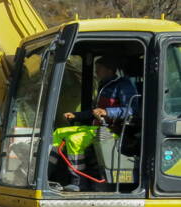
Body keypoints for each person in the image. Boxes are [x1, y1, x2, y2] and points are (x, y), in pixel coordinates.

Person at [51, 57, 139, 191]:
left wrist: (107, 112)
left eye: (99, 69)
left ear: (109, 70)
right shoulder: (104, 85)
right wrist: (77, 115)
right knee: (58, 133)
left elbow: (132, 109)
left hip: (111, 130)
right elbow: (95, 112)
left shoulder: (123, 85)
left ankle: (79, 182)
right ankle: (49, 173)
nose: (96, 72)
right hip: (96, 127)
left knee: (75, 140)